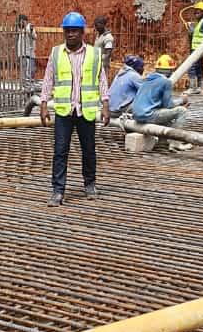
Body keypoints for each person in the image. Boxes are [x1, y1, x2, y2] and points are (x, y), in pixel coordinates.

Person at [39, 11, 109, 207]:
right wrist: (44, 104)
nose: (70, 35)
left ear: (82, 33)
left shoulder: (94, 54)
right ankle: (58, 191)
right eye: (67, 31)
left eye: (74, 31)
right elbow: (48, 79)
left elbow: (101, 79)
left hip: (85, 110)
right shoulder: (56, 53)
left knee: (89, 150)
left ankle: (90, 184)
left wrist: (105, 104)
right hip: (64, 111)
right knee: (60, 151)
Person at [132, 54, 190, 129]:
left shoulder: (147, 79)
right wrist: (182, 100)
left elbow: (159, 105)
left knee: (165, 118)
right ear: (171, 70)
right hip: (148, 115)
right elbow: (168, 105)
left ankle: (163, 140)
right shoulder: (166, 82)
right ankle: (174, 139)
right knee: (182, 111)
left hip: (137, 115)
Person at [188, 1, 203, 94]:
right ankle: (200, 88)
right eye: (195, 11)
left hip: (199, 49)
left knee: (191, 66)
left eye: (198, 11)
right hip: (197, 48)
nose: (196, 13)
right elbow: (197, 34)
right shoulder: (201, 22)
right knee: (198, 67)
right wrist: (191, 30)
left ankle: (192, 88)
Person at [108, 54, 144, 118]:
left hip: (109, 109)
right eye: (142, 67)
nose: (143, 69)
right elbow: (147, 91)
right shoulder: (134, 75)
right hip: (118, 111)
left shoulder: (120, 74)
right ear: (137, 67)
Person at [16, 14, 37, 90]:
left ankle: (29, 88)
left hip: (29, 55)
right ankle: (24, 87)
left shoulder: (29, 27)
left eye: (22, 21)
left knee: (30, 72)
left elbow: (34, 35)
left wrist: (30, 29)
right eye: (19, 21)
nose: (20, 23)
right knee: (24, 73)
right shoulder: (20, 30)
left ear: (25, 21)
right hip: (22, 54)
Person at [93, 16, 115, 81]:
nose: (96, 27)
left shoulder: (108, 38)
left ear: (103, 24)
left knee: (102, 83)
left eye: (97, 25)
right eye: (95, 25)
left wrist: (99, 59)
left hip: (103, 66)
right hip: (96, 64)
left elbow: (108, 54)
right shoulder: (99, 35)